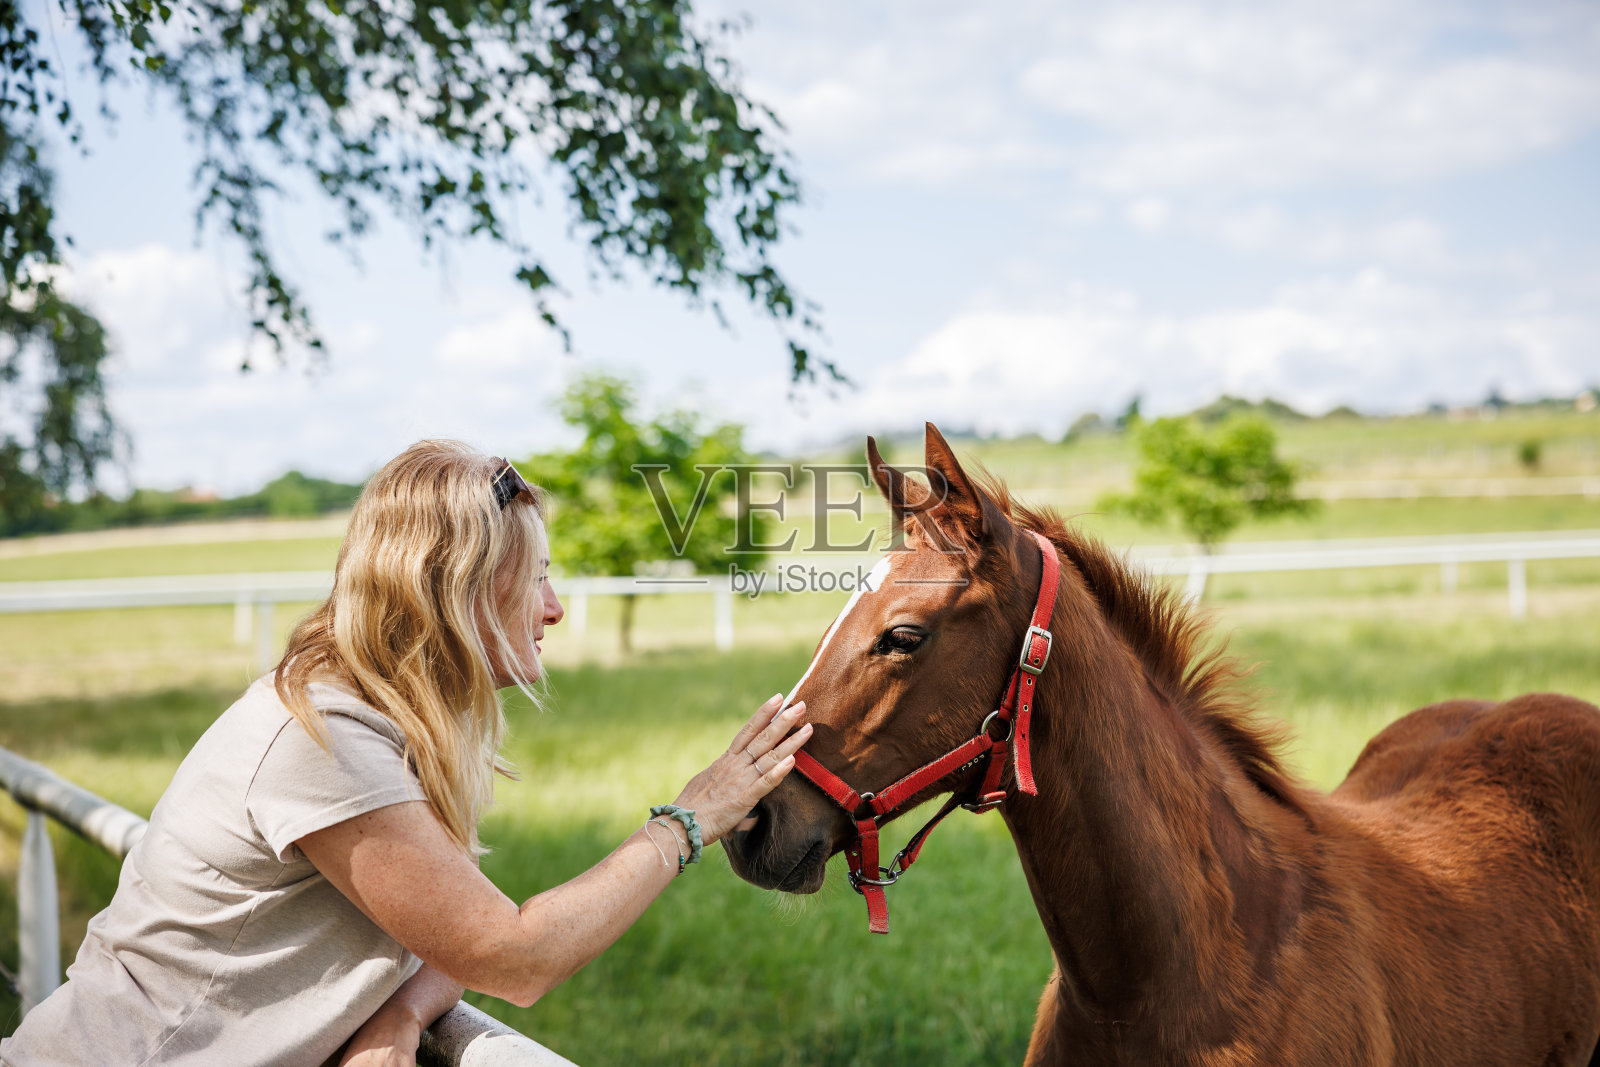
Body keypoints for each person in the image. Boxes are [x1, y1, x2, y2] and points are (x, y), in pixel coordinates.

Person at [0, 439, 810, 1066]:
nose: (556, 608)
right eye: (534, 578)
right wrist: (688, 818)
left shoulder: (383, 721)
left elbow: (451, 932)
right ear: (452, 590)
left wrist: (401, 1013)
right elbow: (514, 954)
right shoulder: (320, 740)